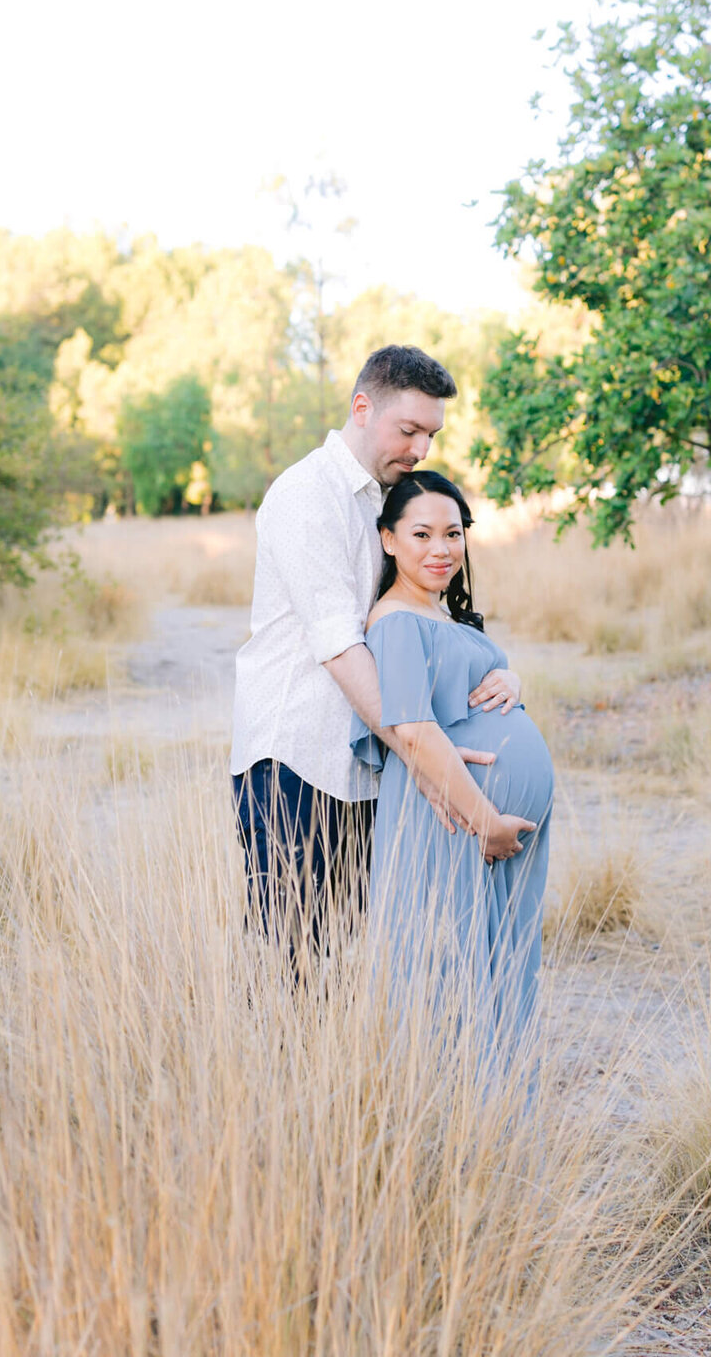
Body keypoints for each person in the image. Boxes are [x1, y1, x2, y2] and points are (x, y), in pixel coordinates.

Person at [229, 345, 534, 957]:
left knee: (350, 957)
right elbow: (342, 650)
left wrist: (504, 677)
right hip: (296, 765)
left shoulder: (387, 499)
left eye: (431, 434)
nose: (421, 448)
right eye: (409, 430)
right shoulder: (306, 496)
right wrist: (433, 765)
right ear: (363, 408)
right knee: (292, 959)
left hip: (367, 770)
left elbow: (420, 629)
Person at [350, 470, 553, 1055]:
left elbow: (466, 698)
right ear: (388, 539)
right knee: (449, 966)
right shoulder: (395, 622)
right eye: (421, 535)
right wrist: (487, 821)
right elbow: (412, 730)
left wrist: (509, 676)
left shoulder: (442, 616)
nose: (442, 549)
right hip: (451, 822)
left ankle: (497, 1116)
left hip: (481, 824)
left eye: (453, 533)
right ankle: (454, 1118)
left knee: (497, 964)